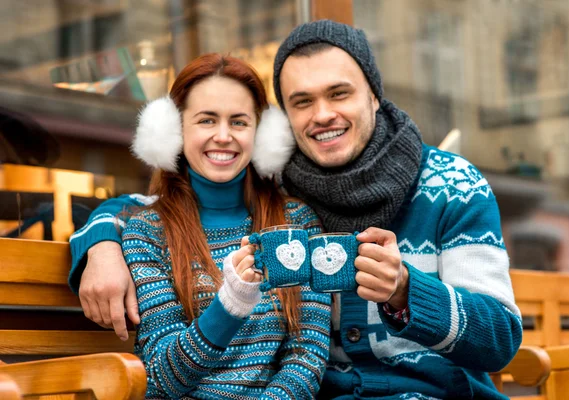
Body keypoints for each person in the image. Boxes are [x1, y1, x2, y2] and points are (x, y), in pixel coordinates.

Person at [69, 21, 522, 399]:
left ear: (374, 96)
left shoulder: (451, 184)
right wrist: (101, 242)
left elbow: (499, 339)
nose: (322, 114)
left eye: (339, 93)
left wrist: (406, 290)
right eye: (302, 102)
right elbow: (153, 208)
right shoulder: (284, 187)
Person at [97, 53, 331, 399]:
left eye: (239, 122)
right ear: (174, 130)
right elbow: (161, 376)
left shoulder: (296, 224)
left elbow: (307, 357)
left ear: (261, 134)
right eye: (206, 121)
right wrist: (231, 305)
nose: (223, 136)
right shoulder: (147, 232)